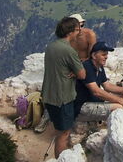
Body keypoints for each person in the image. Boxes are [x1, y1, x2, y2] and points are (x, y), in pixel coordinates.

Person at [42, 16, 86, 158]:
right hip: (63, 98)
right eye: (77, 29)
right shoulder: (69, 51)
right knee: (63, 134)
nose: (79, 32)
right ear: (70, 32)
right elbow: (82, 75)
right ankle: (60, 159)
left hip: (49, 96)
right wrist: (76, 71)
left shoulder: (51, 47)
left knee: (58, 130)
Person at [74, 41, 123, 121]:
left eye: (106, 54)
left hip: (93, 103)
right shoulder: (87, 67)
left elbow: (107, 86)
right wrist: (119, 100)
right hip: (82, 107)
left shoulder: (99, 66)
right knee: (119, 107)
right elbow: (96, 92)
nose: (106, 57)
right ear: (94, 55)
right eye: (103, 54)